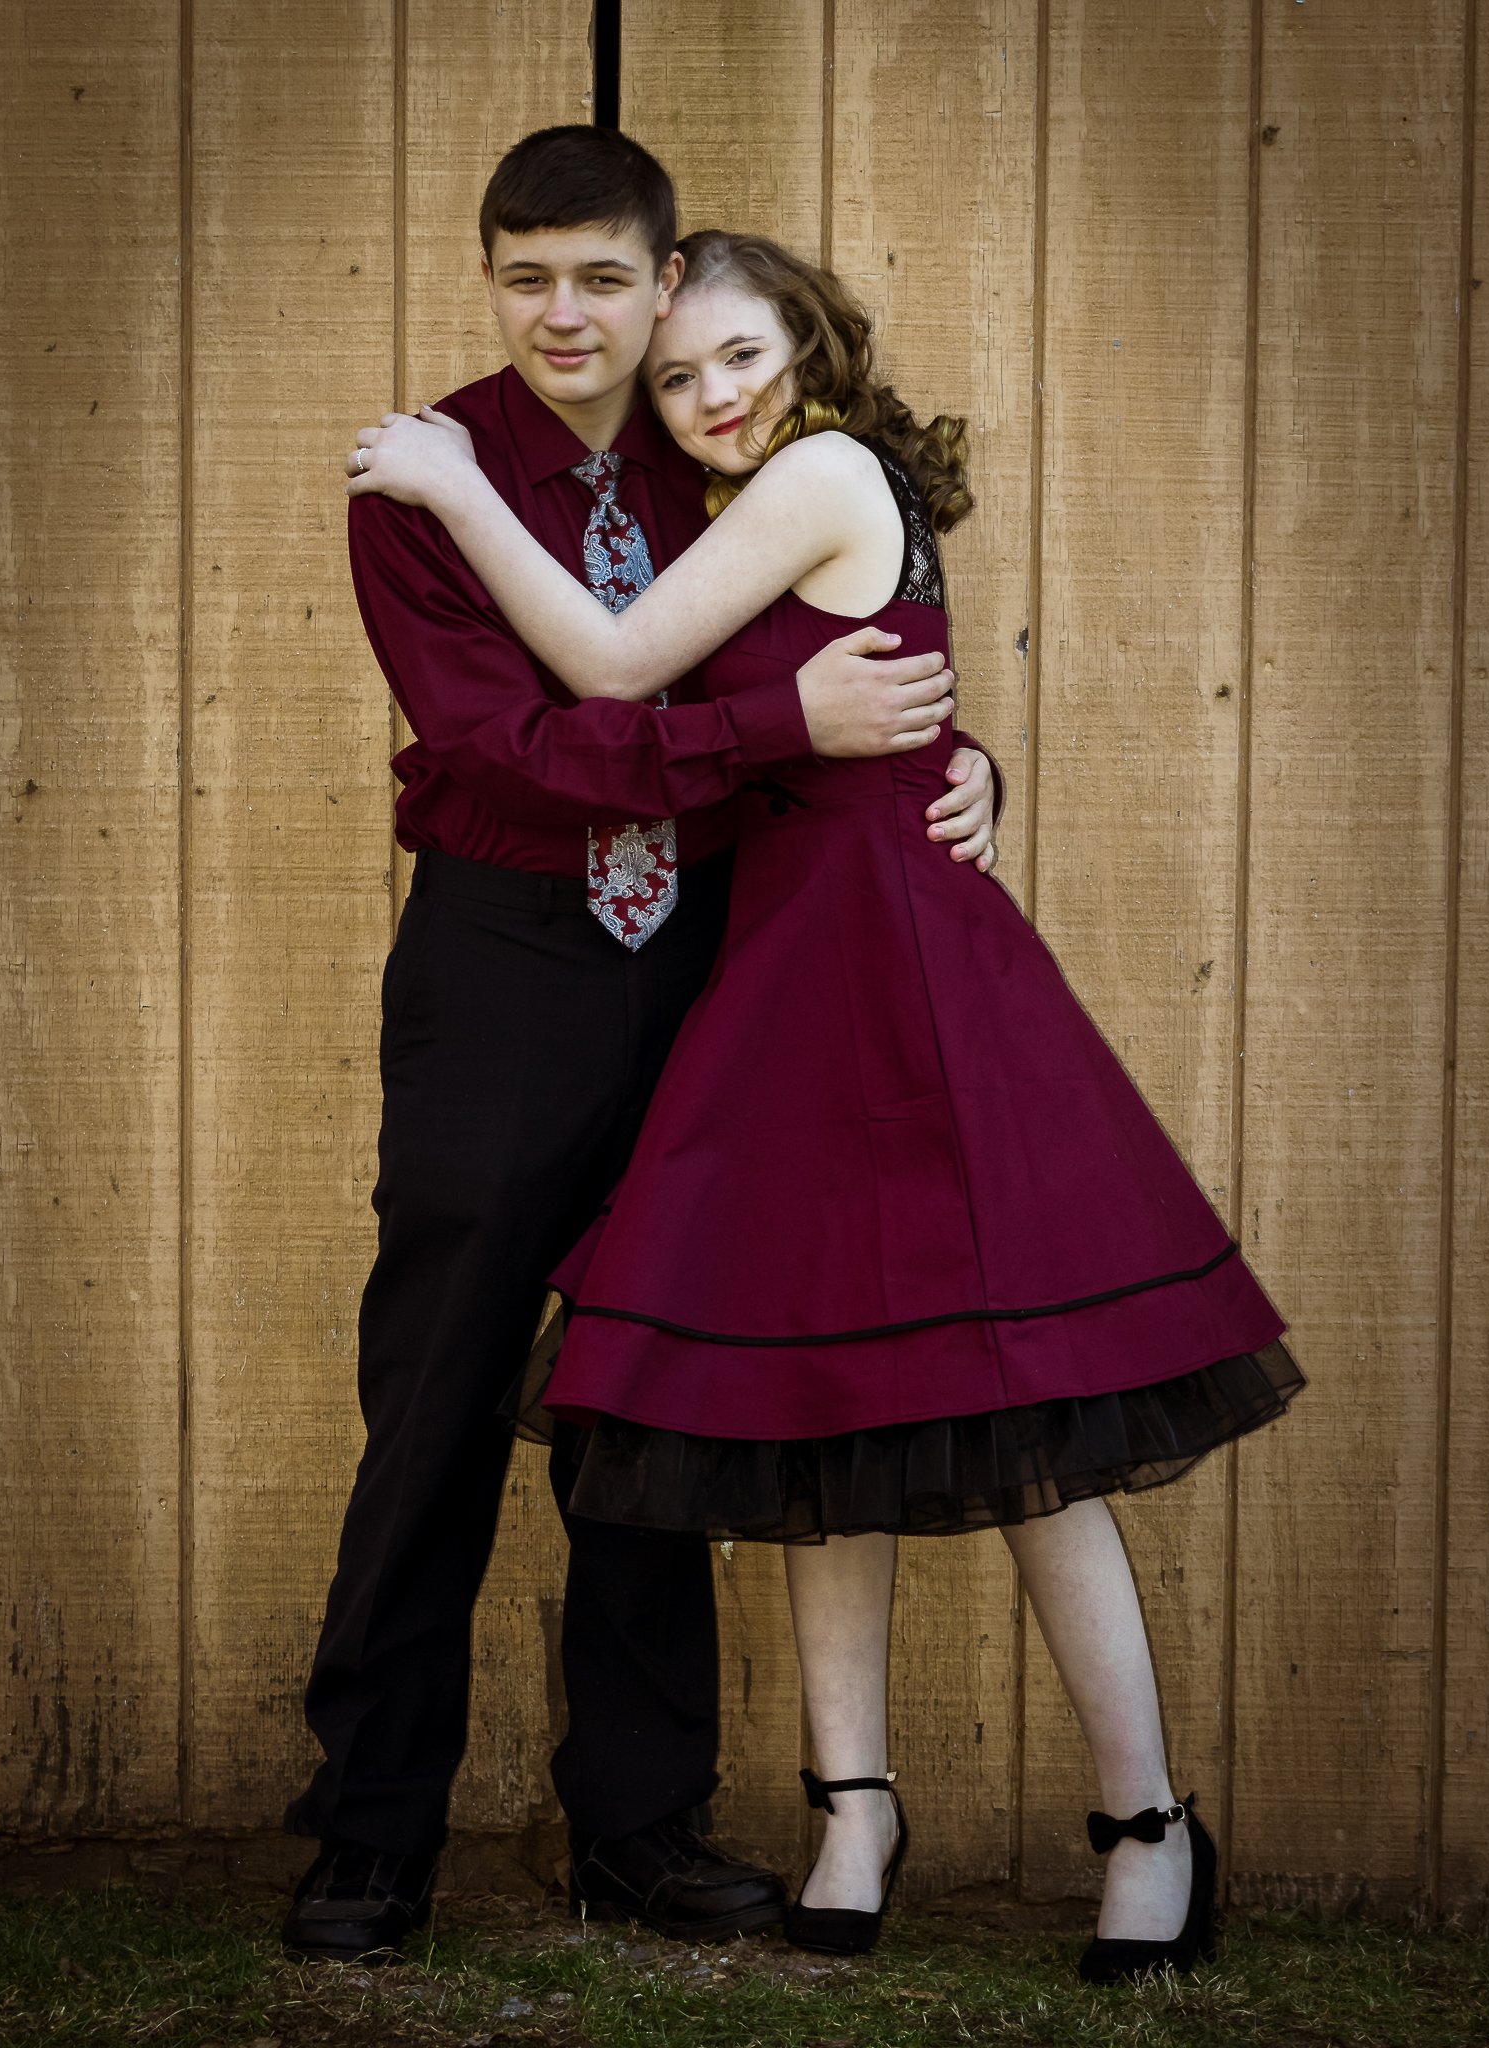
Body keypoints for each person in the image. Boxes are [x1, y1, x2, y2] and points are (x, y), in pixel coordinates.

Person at [346, 227, 1307, 1984]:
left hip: (901, 988)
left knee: (1024, 1423)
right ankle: (849, 1813)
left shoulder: (821, 472)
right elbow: (807, 708)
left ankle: (1148, 1827)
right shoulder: (750, 504)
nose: (709, 397)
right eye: (681, 375)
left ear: (809, 344)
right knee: (810, 1412)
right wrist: (959, 755)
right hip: (784, 981)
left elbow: (621, 670)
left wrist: (458, 487)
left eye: (739, 357)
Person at [283, 130, 1003, 1963]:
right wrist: (777, 724)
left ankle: (639, 1827)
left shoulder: (726, 459)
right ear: (487, 280)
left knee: (654, 1396)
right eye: (526, 276)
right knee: (436, 1395)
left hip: (708, 960)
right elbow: (496, 748)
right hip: (504, 968)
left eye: (604, 277)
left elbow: (863, 651)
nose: (564, 314)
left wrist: (948, 763)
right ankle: (370, 1837)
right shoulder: (424, 484)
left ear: (666, 280)